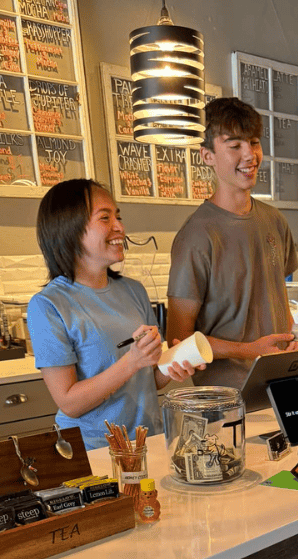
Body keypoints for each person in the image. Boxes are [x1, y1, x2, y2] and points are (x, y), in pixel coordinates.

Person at [167, 97, 298, 402]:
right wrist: (248, 351)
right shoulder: (196, 236)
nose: (250, 154)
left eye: (254, 142)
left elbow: (278, 306)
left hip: (278, 387)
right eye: (234, 145)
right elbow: (178, 342)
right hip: (225, 399)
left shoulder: (274, 221)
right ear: (207, 156)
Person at [27, 179, 201, 450]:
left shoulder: (134, 291)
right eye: (105, 218)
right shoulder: (47, 305)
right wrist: (132, 361)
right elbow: (70, 403)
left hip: (148, 441)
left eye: (118, 216)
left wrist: (171, 367)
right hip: (93, 452)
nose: (119, 227)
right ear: (69, 229)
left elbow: (148, 381)